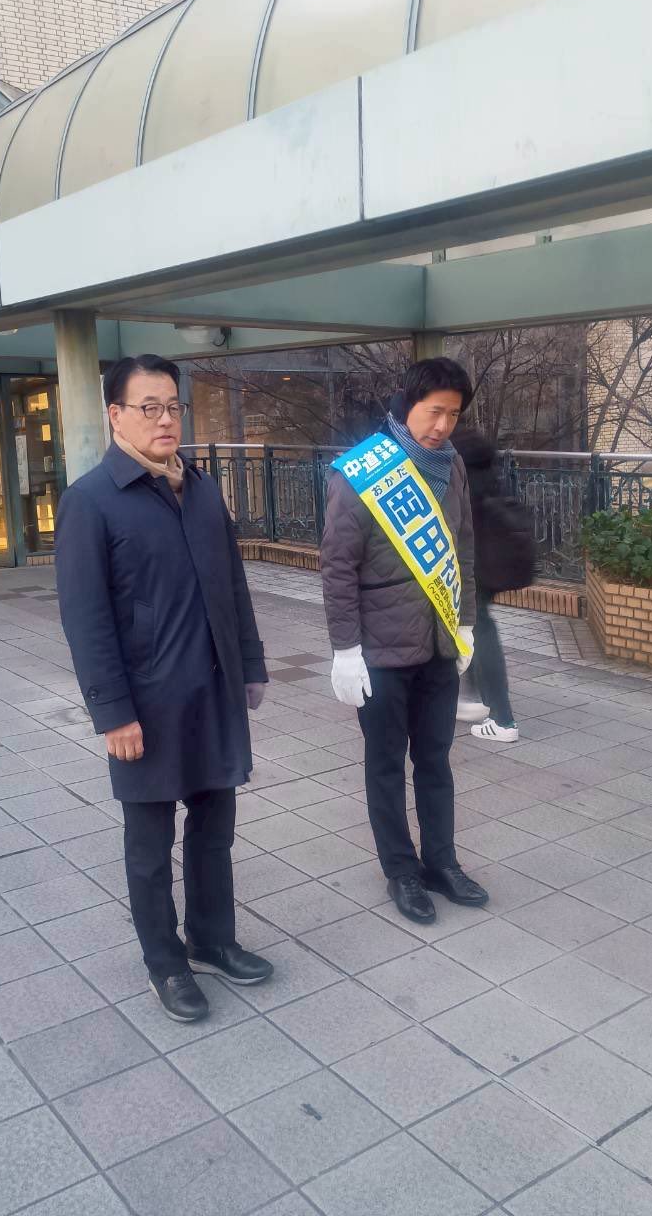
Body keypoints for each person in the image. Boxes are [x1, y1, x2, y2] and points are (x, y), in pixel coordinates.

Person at [55, 354, 272, 1024]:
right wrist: (112, 713)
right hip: (145, 706)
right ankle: (165, 962)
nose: (165, 419)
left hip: (212, 692)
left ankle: (212, 940)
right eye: (148, 406)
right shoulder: (91, 500)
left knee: (214, 830)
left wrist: (251, 663)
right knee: (150, 846)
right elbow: (85, 618)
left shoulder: (200, 489)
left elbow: (233, 586)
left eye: (173, 405)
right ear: (115, 416)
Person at [320, 357, 489, 925]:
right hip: (380, 653)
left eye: (453, 415)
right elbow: (337, 567)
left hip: (439, 647)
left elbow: (463, 548)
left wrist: (464, 623)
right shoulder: (363, 471)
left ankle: (442, 862)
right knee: (387, 765)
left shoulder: (453, 465)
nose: (442, 425)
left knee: (436, 761)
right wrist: (345, 650)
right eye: (434, 411)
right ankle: (401, 870)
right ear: (407, 403)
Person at [452, 427, 520, 743]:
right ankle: (474, 697)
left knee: (480, 630)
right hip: (488, 562)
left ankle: (502, 718)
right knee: (474, 625)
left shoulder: (456, 462)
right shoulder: (482, 462)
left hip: (472, 565)